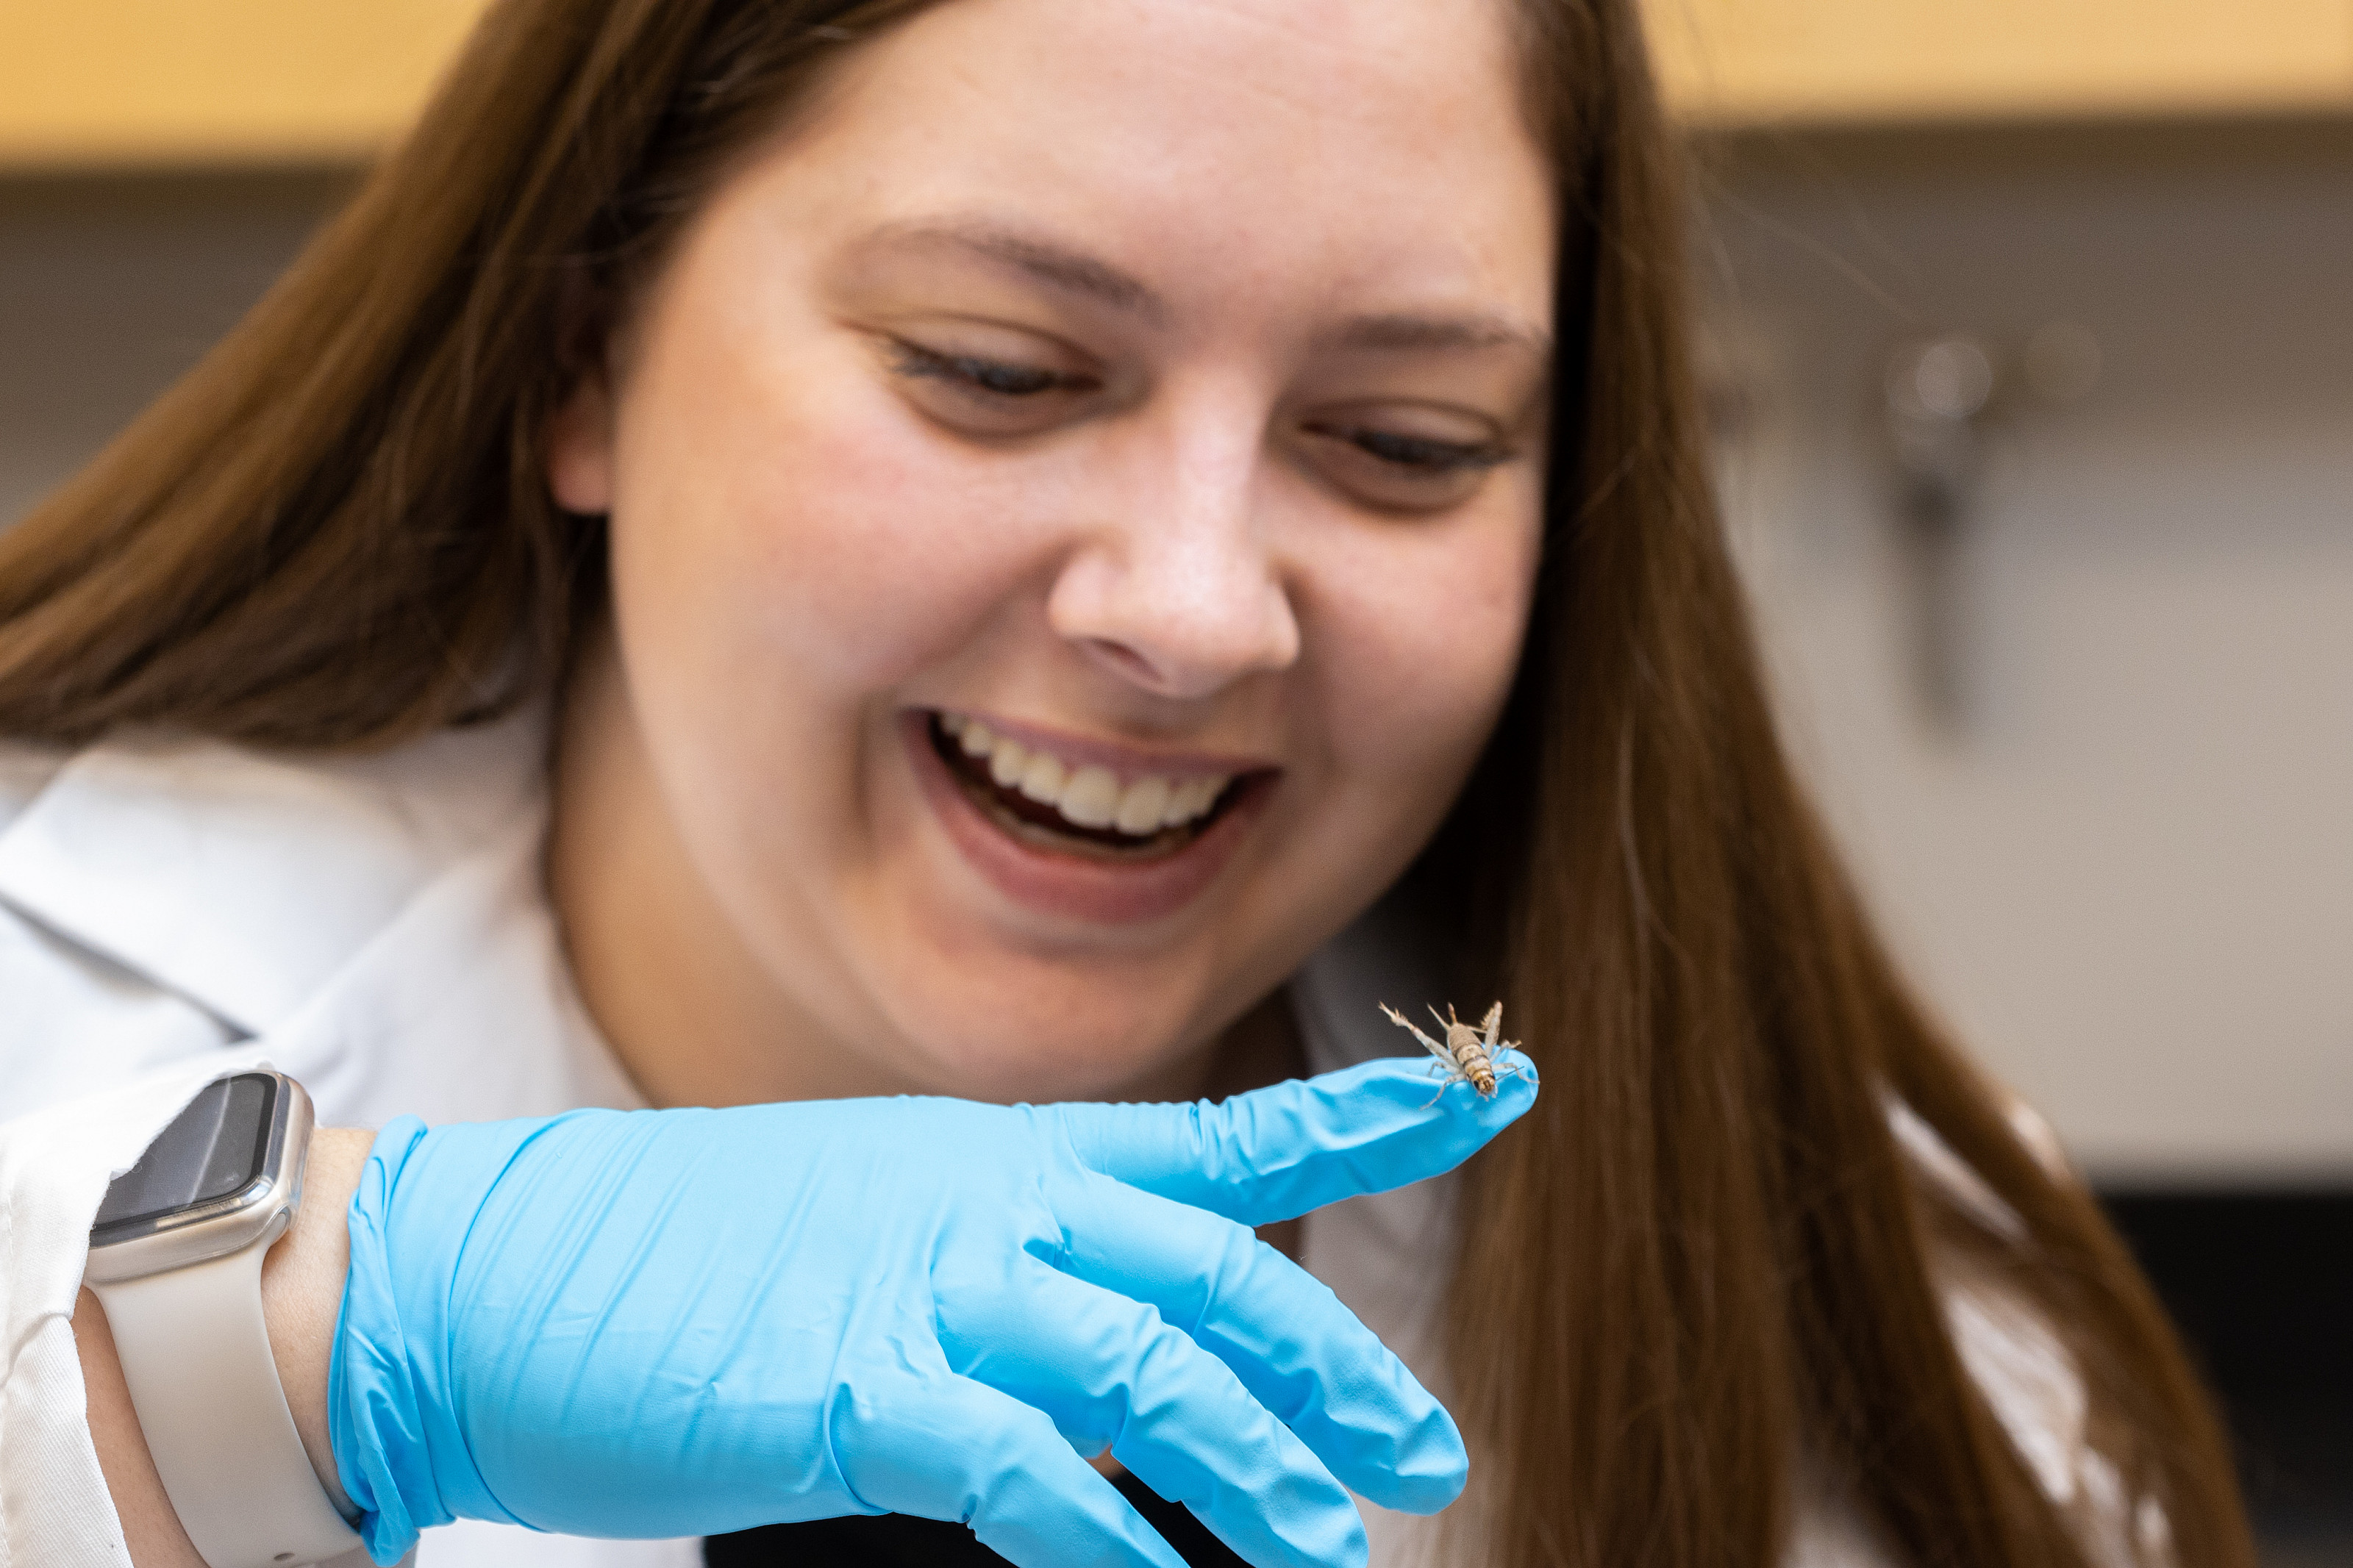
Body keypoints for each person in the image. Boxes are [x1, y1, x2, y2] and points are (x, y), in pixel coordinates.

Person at [0, 1, 2257, 1566]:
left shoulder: (1896, 1336)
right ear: (581, 345)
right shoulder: (61, 1008)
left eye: (1404, 444)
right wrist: (284, 1359)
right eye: (998, 372)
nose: (1194, 615)